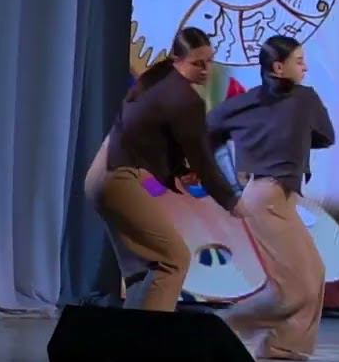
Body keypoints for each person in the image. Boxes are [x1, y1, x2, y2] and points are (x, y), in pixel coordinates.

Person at [93, 27, 239, 312]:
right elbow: (204, 162)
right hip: (117, 177)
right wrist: (233, 202)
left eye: (209, 61)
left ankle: (130, 337)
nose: (206, 70)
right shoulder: (184, 98)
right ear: (177, 60)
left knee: (143, 268)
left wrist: (179, 170)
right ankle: (153, 337)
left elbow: (151, 141)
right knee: (173, 260)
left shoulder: (157, 83)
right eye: (198, 63)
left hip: (104, 175)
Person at [208, 36, 335, 361]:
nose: (305, 67)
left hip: (279, 196)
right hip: (265, 197)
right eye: (298, 61)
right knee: (292, 290)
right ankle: (225, 323)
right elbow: (326, 136)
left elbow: (208, 131)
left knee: (314, 273)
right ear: (278, 67)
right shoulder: (304, 99)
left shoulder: (249, 103)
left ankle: (284, 344)